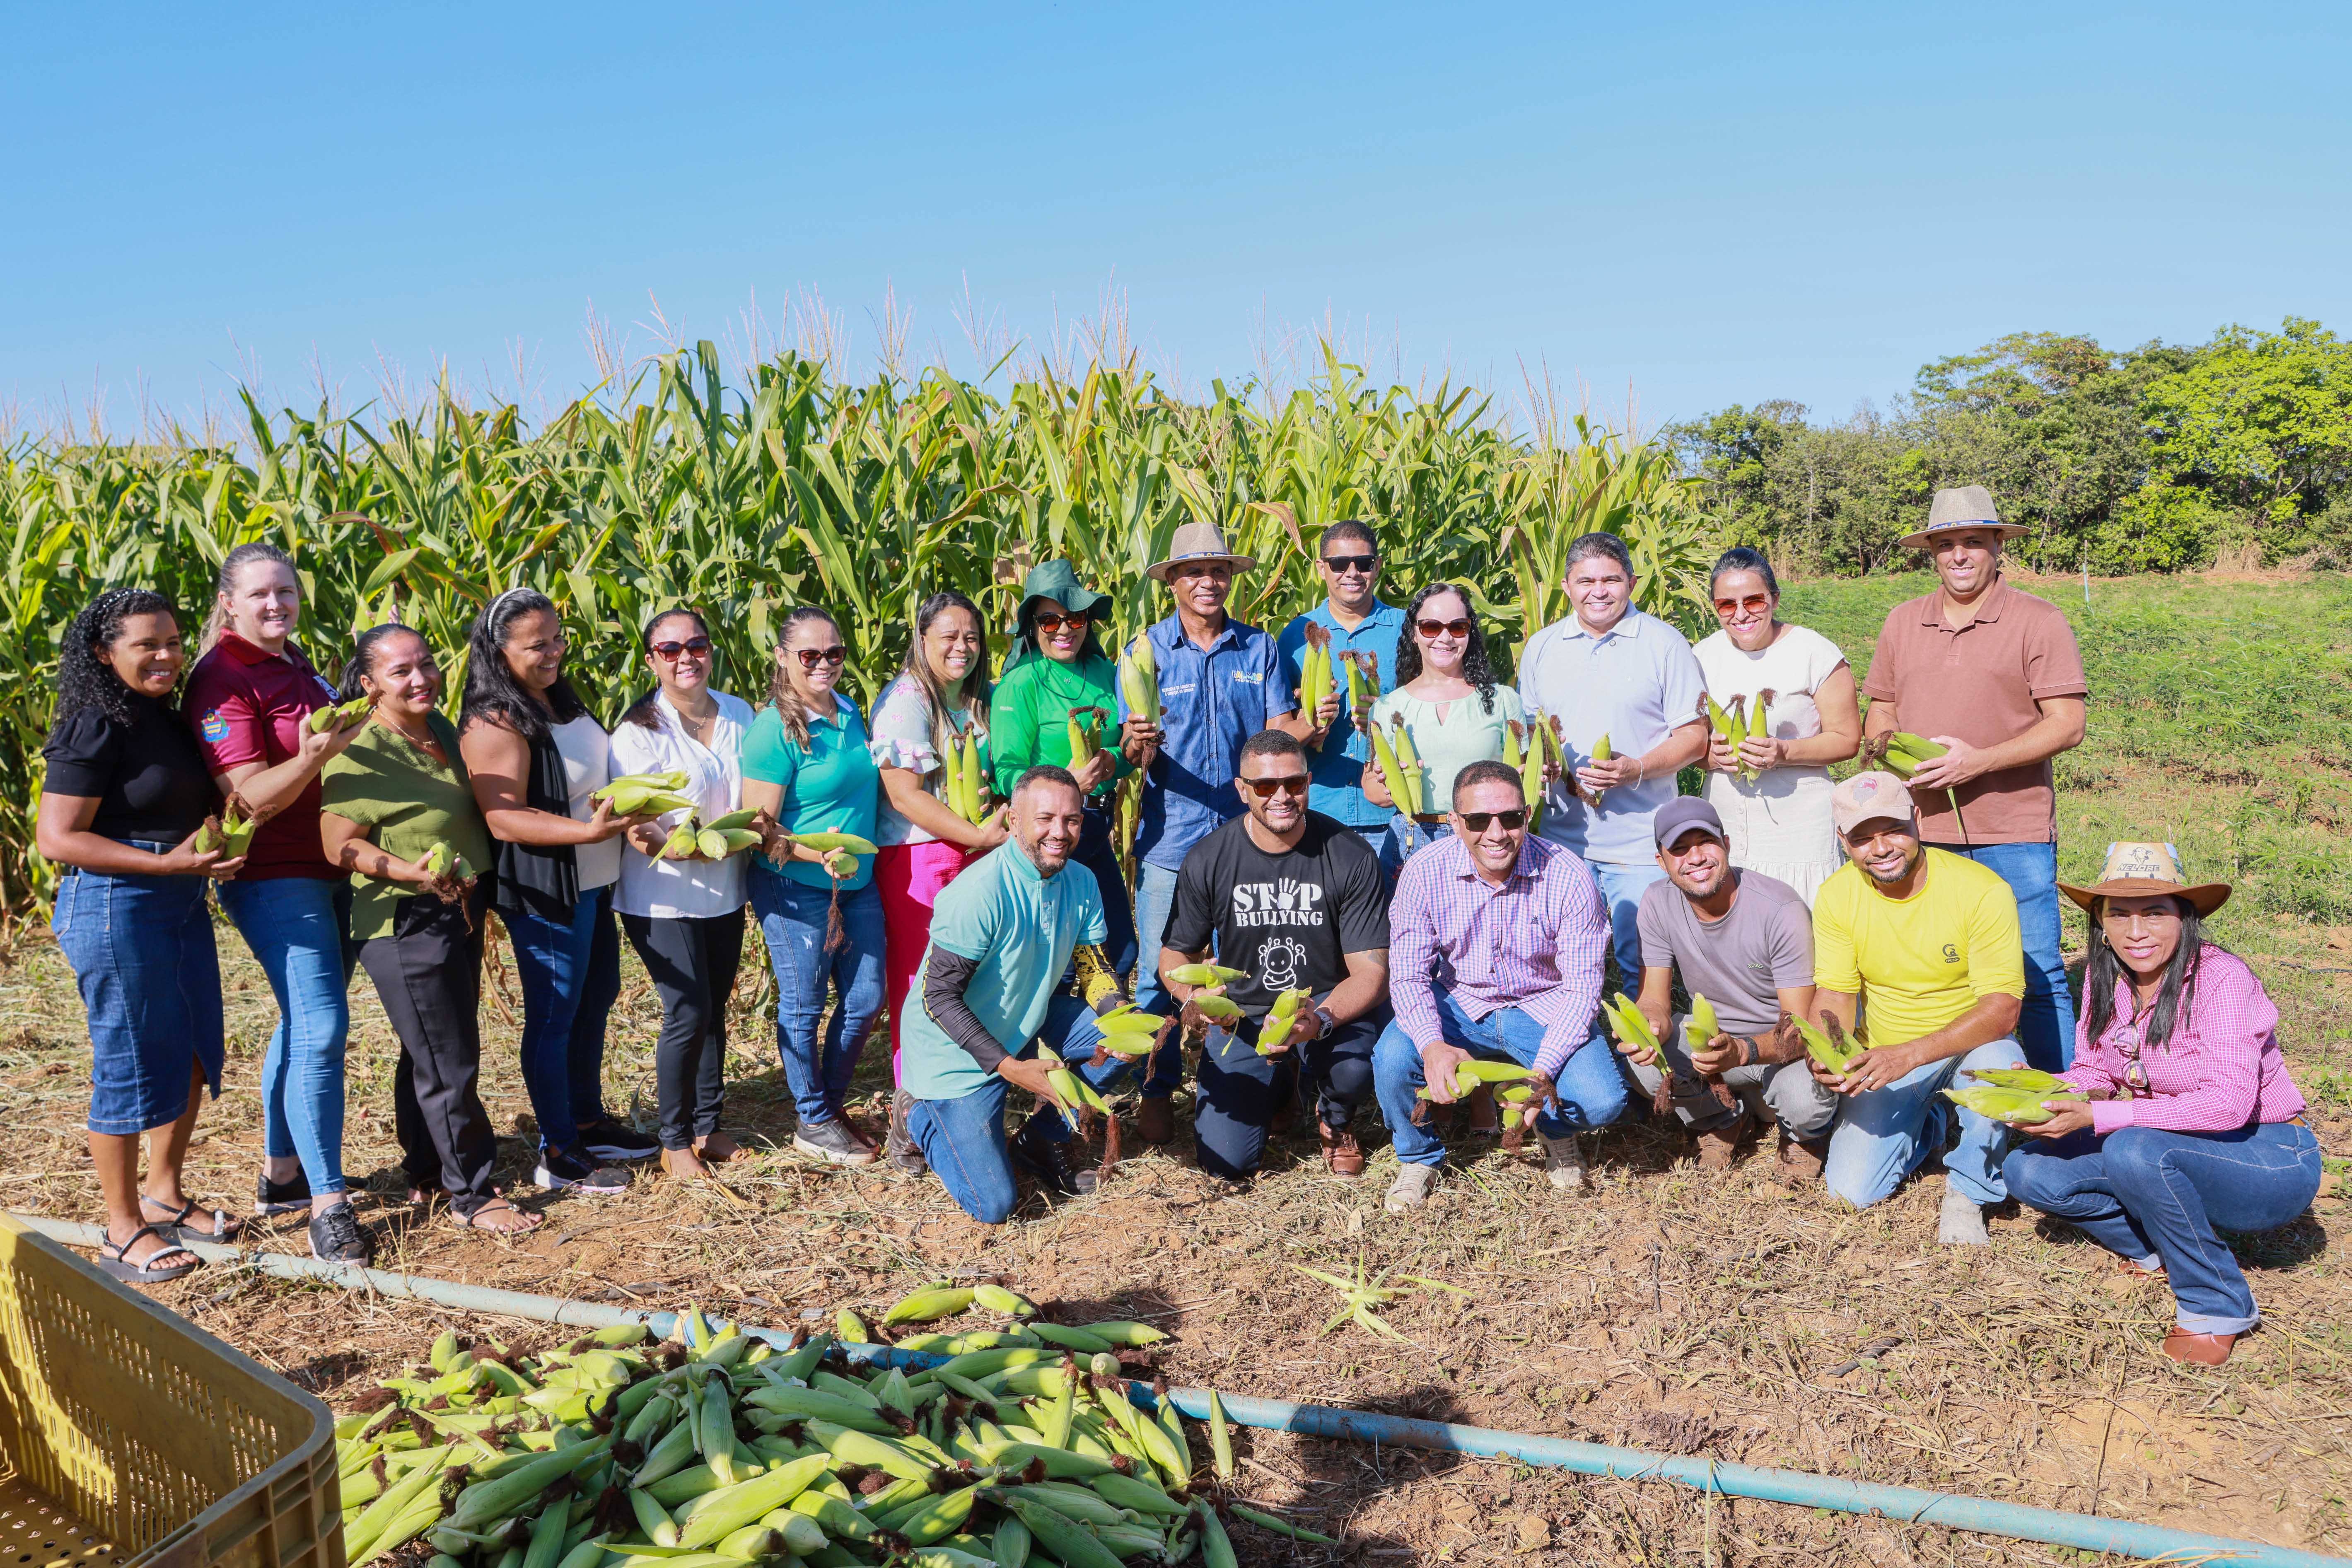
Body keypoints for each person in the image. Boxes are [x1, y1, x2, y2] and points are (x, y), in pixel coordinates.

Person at [2004, 844, 2321, 1366]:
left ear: (2184, 917)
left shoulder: (2220, 979)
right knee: (2028, 1169)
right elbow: (2097, 1072)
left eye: (2154, 912)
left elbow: (2228, 1106)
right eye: (2118, 914)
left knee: (2133, 1148)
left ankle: (2217, 1303)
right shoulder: (2106, 977)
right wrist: (2043, 1088)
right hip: (2171, 1145)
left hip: (2267, 1157)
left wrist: (2099, 1117)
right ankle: (2157, 1249)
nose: (2135, 932)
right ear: (2099, 922)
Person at [38, 589, 242, 1283]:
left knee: (190, 1049)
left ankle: (165, 1192)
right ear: (105, 652)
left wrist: (215, 850)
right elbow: (57, 838)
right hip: (116, 905)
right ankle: (123, 1231)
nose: (165, 655)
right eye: (146, 645)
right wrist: (165, 861)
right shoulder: (96, 724)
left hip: (179, 899)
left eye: (174, 642)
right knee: (128, 1063)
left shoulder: (169, 718)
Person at [181, 542, 372, 1261]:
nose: (275, 606)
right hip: (273, 873)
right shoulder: (222, 676)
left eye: (285, 594)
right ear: (228, 601)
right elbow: (248, 798)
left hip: (331, 863)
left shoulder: (296, 664)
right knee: (323, 1027)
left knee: (303, 1023)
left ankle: (283, 1174)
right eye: (260, 595)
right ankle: (329, 1204)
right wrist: (317, 755)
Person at [1861, 485, 2088, 1073]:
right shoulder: (1902, 621)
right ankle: (1959, 1101)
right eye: (1945, 545)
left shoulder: (2038, 620)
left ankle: (2054, 1107)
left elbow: (2067, 725)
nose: (1958, 555)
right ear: (1930, 553)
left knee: (2033, 973)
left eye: (1972, 542)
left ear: (1995, 547)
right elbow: (1879, 710)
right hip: (1922, 829)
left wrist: (1977, 761)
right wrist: (1892, 749)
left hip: (2011, 828)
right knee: (1943, 974)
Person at [320, 625, 535, 1234]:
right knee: (448, 1059)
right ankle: (472, 1193)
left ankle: (426, 1169)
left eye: (427, 663)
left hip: (457, 905)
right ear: (368, 684)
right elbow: (338, 845)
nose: (420, 679)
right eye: (400, 671)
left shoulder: (440, 729)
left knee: (430, 1046)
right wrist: (406, 872)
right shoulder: (360, 748)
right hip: (403, 917)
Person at [459, 589, 652, 1195]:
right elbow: (502, 817)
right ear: (499, 650)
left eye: (557, 637)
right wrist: (588, 830)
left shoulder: (557, 699)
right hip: (546, 889)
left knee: (597, 995)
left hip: (592, 881)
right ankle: (558, 1147)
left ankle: (587, 1119)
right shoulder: (495, 718)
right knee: (554, 1013)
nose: (553, 651)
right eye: (536, 643)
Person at [1117, 522, 1303, 1143]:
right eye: (1193, 571)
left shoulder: (1260, 648)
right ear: (1171, 580)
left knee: (1248, 970)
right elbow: (1129, 751)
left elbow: (1278, 732)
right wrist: (1136, 746)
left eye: (1218, 571)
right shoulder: (1145, 651)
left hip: (1247, 839)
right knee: (1157, 975)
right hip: (1170, 838)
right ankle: (1156, 1087)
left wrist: (1319, 721)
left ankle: (1260, 1085)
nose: (1207, 581)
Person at [1374, 760, 1621, 1212]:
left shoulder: (1567, 874)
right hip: (1460, 1002)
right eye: (1477, 820)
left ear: (1526, 816)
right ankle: (1417, 1155)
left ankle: (1554, 1129)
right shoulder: (1423, 871)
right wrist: (1431, 1046)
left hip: (1543, 1005)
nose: (1496, 833)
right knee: (1392, 1058)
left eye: (1509, 818)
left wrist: (1542, 1074)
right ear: (1454, 822)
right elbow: (1408, 974)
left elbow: (1583, 990)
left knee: (1601, 1100)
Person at [900, 766, 1138, 1223]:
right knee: (993, 1205)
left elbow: (1093, 969)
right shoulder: (980, 891)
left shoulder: (1081, 881)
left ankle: (1042, 1138)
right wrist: (1013, 1070)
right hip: (954, 1054)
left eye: (1071, 820)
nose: (1060, 832)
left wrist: (1119, 1020)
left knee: (1132, 1044)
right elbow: (940, 998)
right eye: (1045, 818)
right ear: (1013, 821)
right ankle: (913, 1113)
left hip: (1026, 1018)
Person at [1807, 771, 2028, 1245]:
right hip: (1889, 1057)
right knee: (1851, 1193)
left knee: (1999, 1070)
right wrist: (1827, 1052)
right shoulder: (1836, 896)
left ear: (1918, 819)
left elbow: (2001, 1010)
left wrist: (1908, 1055)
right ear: (1843, 842)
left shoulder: (1980, 890)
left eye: (1892, 830)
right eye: (1863, 837)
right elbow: (1836, 995)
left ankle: (1968, 1191)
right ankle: (1929, 1124)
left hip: (1971, 1044)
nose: (1881, 848)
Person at [1159, 731, 1391, 1182]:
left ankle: (1336, 1120)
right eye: (1265, 787)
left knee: (1352, 1070)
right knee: (1226, 1164)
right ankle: (1282, 1086)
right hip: (1242, 1013)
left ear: (1308, 782)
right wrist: (1192, 998)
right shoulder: (1208, 858)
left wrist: (1319, 1020)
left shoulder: (1349, 855)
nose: (1281, 797)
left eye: (1293, 784)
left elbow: (1371, 972)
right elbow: (1174, 954)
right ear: (1242, 790)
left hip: (1323, 1004)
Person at [1516, 531, 1709, 982]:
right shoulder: (1541, 647)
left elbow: (1694, 736)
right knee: (1555, 965)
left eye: (1611, 580)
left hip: (1639, 843)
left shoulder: (1664, 644)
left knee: (1641, 967)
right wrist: (1537, 762)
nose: (1597, 591)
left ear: (1632, 583)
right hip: (1562, 841)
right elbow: (1529, 731)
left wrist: (1636, 769)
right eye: (1585, 581)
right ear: (1565, 587)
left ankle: (1643, 1050)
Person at [609, 608, 758, 1184]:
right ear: (651, 660)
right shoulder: (639, 732)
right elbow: (638, 827)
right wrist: (692, 849)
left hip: (724, 890)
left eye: (695, 644)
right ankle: (673, 1142)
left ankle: (707, 1124)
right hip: (660, 896)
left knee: (714, 1007)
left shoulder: (740, 715)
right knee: (687, 1010)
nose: (684, 657)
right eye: (668, 649)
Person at [1616, 798, 1839, 1175]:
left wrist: (1743, 1051)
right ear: (1662, 862)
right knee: (1642, 1068)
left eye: (1706, 842)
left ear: (1728, 844)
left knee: (1804, 1101)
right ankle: (1721, 1120)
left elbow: (1800, 1029)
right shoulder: (1657, 901)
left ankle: (1804, 1137)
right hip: (1716, 1043)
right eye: (1680, 849)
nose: (1696, 857)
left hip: (1780, 1048)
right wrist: (1650, 1026)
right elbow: (1654, 997)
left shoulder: (1779, 908)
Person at [740, 605, 886, 1167]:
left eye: (834, 653)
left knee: (866, 998)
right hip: (793, 886)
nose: (824, 664)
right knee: (804, 1005)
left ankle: (824, 1103)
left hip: (856, 883)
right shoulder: (771, 731)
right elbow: (757, 827)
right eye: (809, 655)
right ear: (782, 657)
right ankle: (813, 1117)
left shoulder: (849, 711)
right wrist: (809, 851)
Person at [872, 591, 1008, 1172]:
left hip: (970, 850)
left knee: (962, 980)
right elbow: (904, 795)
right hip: (921, 859)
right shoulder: (907, 701)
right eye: (948, 636)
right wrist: (977, 838)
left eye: (972, 636)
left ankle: (958, 1100)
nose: (962, 646)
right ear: (922, 638)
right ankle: (913, 1116)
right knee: (921, 982)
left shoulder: (974, 699)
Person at [1692, 547, 1860, 905]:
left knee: (1800, 929)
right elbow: (1690, 743)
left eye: (1754, 601)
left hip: (1798, 826)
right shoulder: (1700, 657)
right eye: (1727, 605)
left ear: (1775, 599)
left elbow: (1847, 740)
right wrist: (1711, 757)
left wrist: (1784, 752)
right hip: (1726, 823)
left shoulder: (1815, 652)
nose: (1741, 614)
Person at [988, 563, 1132, 982]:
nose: (1063, 629)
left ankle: (1103, 1044)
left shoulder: (1106, 673)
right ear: (1032, 627)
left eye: (1075, 618)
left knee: (1119, 951)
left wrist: (1113, 758)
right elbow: (1006, 772)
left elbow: (1125, 747)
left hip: (1096, 830)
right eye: (1049, 620)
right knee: (1059, 966)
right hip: (1048, 837)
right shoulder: (1020, 685)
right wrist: (1065, 786)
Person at [1364, 582, 1526, 870]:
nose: (1445, 637)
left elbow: (1524, 777)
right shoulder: (1388, 707)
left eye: (1458, 627)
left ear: (1469, 632)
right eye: (1431, 627)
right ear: (1414, 633)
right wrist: (1386, 783)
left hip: (1486, 837)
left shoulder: (1503, 701)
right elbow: (1372, 791)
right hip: (1413, 839)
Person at [1275, 521, 1402, 863]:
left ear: (1377, 565)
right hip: (1318, 814)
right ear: (1321, 569)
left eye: (1363, 563)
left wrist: (1388, 712)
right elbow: (1276, 729)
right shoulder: (1294, 638)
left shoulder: (1409, 631)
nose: (1352, 573)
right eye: (1339, 564)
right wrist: (1309, 723)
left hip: (1394, 816)